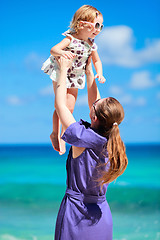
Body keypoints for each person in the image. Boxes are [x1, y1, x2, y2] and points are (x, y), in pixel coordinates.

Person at [53, 55, 128, 240]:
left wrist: (63, 71)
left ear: (95, 117)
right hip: (101, 215)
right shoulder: (112, 138)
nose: (93, 102)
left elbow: (61, 105)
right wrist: (88, 72)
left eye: (94, 106)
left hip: (76, 213)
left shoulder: (82, 137)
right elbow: (97, 105)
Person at [41, 5, 106, 155]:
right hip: (61, 71)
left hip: (76, 76)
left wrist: (100, 74)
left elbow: (97, 61)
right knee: (60, 105)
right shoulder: (70, 38)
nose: (98, 29)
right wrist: (63, 53)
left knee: (69, 108)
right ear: (81, 24)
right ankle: (55, 133)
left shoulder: (91, 45)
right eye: (96, 25)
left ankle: (65, 134)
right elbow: (54, 50)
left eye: (101, 26)